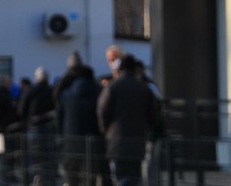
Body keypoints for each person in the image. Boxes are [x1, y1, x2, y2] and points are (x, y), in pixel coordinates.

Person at [98, 54, 160, 186]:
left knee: (119, 177)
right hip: (137, 140)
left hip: (116, 141)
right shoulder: (144, 88)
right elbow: (153, 114)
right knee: (133, 177)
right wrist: (147, 130)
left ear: (120, 69)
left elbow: (102, 110)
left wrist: (105, 130)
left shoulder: (112, 87)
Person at [56, 63, 102, 186]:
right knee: (91, 176)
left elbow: (59, 118)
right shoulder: (98, 92)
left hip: (71, 141)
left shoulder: (66, 94)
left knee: (72, 177)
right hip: (93, 142)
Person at [19, 67, 56, 186]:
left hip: (33, 128)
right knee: (48, 157)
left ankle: (36, 179)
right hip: (49, 128)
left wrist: (26, 120)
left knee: (33, 157)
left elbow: (21, 110)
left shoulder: (30, 91)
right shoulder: (51, 91)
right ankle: (48, 180)